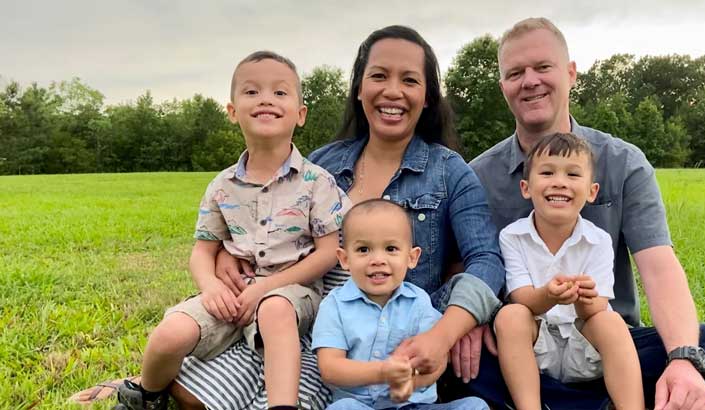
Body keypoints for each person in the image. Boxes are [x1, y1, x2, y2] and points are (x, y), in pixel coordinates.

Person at [173, 26, 504, 410]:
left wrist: (444, 334)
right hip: (298, 322)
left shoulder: (450, 172)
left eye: (409, 80)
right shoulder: (324, 163)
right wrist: (224, 254)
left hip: (380, 342)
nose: (393, 91)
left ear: (428, 96)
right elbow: (270, 220)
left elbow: (486, 261)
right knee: (189, 390)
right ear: (359, 88)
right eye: (379, 76)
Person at [463, 17, 705, 410]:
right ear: (503, 87)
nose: (530, 81)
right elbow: (463, 267)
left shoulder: (623, 161)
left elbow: (659, 266)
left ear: (570, 73)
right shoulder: (476, 175)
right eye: (515, 73)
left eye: (543, 67)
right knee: (454, 353)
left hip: (604, 343)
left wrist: (682, 359)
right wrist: (470, 325)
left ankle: (569, 401)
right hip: (522, 344)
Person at [115, 51, 350, 410]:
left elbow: (327, 251)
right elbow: (202, 251)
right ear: (232, 110)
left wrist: (266, 289)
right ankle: (146, 395)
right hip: (231, 294)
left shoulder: (317, 182)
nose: (266, 99)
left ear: (300, 115)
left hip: (291, 294)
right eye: (252, 92)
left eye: (280, 92)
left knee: (274, 311)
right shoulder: (222, 186)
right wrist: (210, 288)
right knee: (172, 332)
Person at [494, 133, 643, 410]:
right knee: (509, 316)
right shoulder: (512, 237)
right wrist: (549, 295)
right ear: (526, 187)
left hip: (583, 346)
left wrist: (584, 299)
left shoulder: (598, 240)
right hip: (537, 347)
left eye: (573, 174)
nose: (559, 182)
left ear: (591, 191)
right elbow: (521, 298)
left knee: (611, 323)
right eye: (547, 172)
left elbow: (596, 309)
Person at [312, 199, 489, 410]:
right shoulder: (335, 305)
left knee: (474, 406)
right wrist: (382, 372)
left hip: (413, 405)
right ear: (344, 259)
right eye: (363, 250)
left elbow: (438, 360)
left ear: (412, 257)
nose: (378, 259)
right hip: (360, 406)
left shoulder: (418, 302)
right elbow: (330, 368)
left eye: (391, 248)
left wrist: (412, 383)